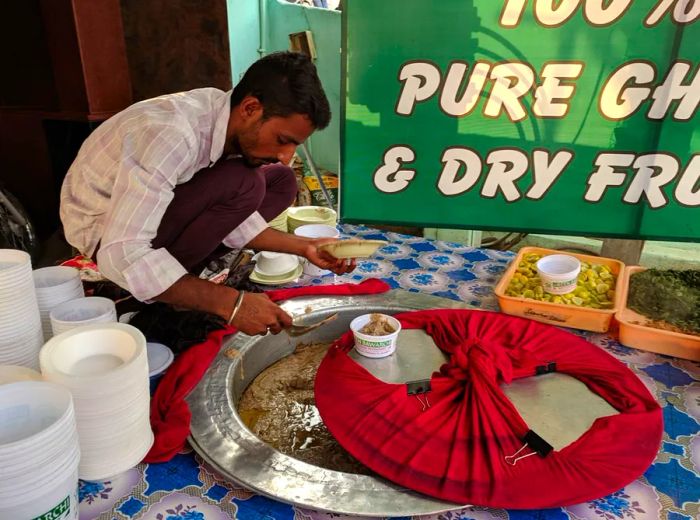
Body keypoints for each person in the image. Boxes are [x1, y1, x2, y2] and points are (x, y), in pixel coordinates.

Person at [60, 51, 354, 336]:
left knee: (281, 180)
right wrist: (231, 304)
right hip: (105, 232)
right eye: (281, 140)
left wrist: (306, 247)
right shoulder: (172, 134)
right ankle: (167, 293)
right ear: (250, 108)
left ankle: (178, 277)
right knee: (246, 183)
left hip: (156, 215)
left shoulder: (226, 116)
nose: (286, 155)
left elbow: (230, 217)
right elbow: (121, 252)